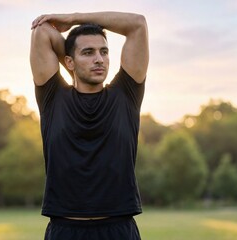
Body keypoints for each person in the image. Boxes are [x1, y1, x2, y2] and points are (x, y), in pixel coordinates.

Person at [30, 11, 149, 240]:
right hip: (65, 229)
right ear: (69, 61)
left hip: (118, 229)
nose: (99, 59)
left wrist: (75, 19)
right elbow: (42, 31)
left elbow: (138, 25)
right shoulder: (53, 97)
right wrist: (75, 63)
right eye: (88, 52)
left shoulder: (126, 94)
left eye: (104, 52)